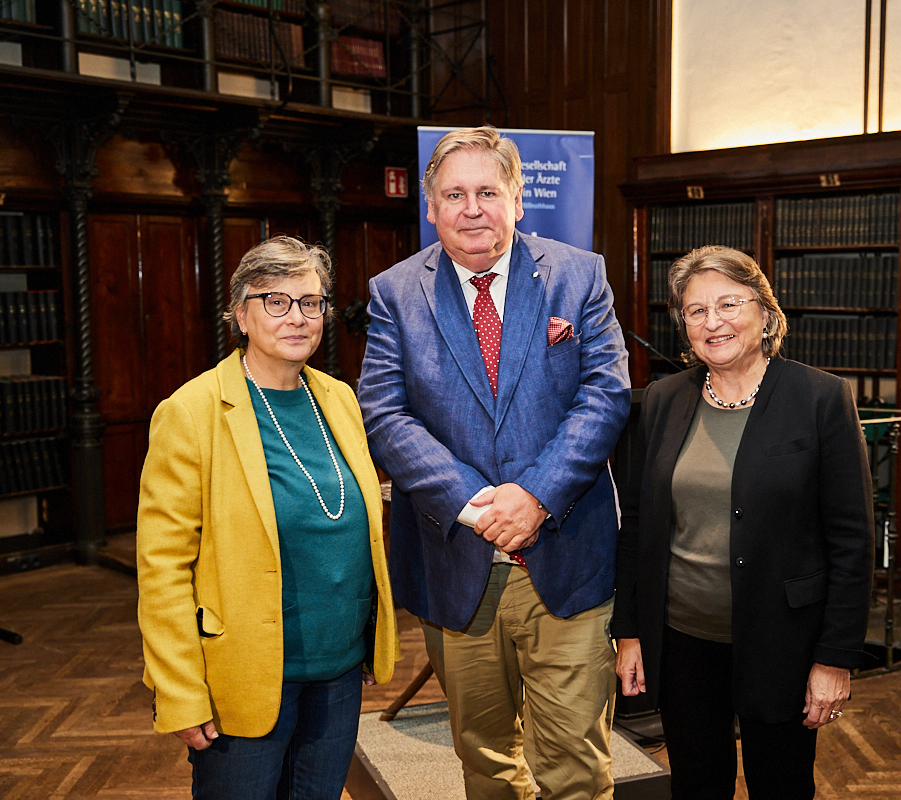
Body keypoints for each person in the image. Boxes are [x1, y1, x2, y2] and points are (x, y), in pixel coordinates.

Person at [356, 126, 631, 800]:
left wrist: (535, 495)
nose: (472, 208)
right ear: (431, 207)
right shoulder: (395, 292)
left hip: (566, 559)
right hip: (458, 564)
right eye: (455, 194)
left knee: (575, 766)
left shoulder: (579, 274)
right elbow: (384, 413)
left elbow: (606, 394)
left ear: (517, 199)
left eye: (487, 191)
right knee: (485, 762)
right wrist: (475, 504)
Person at [136, 236, 399, 800]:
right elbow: (162, 570)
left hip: (338, 670)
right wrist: (180, 691)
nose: (297, 317)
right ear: (241, 313)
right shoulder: (191, 412)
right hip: (245, 674)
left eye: (311, 302)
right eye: (276, 301)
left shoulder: (339, 399)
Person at [612, 245, 874, 800]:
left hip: (782, 641)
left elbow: (852, 542)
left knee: (781, 786)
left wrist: (834, 658)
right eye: (696, 310)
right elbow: (637, 525)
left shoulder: (820, 398)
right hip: (682, 643)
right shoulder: (661, 400)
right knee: (696, 785)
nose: (713, 322)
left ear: (765, 312)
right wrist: (630, 632)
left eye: (729, 304)